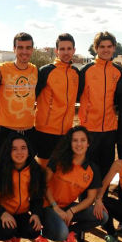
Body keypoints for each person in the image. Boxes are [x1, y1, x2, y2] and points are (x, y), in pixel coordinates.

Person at [39, 126, 108, 242]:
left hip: (67, 207)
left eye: (82, 140)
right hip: (48, 205)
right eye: (75, 140)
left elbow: (90, 198)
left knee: (102, 216)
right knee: (60, 234)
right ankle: (41, 235)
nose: (79, 144)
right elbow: (44, 184)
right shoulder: (58, 160)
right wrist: (55, 207)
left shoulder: (92, 169)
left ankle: (71, 234)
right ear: (70, 143)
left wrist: (72, 211)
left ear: (88, 143)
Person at [78, 31, 122, 179]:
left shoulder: (118, 70)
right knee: (87, 168)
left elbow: (118, 99)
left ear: (114, 48)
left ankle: (101, 200)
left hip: (110, 129)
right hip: (89, 128)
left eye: (109, 46)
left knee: (106, 167)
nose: (106, 49)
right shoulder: (86, 70)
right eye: (102, 46)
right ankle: (85, 200)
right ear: (96, 48)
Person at [34, 33, 80, 168]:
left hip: (66, 131)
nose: (66, 52)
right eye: (62, 49)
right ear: (56, 51)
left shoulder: (76, 73)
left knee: (59, 171)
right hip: (45, 130)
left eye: (69, 49)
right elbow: (32, 97)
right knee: (43, 171)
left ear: (74, 50)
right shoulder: (46, 71)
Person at [0, 32, 38, 157]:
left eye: (28, 48)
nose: (24, 51)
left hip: (28, 130)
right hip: (6, 130)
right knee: (0, 170)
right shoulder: (1, 69)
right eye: (20, 47)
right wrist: (5, 109)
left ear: (32, 49)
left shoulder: (34, 70)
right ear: (14, 49)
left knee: (26, 172)